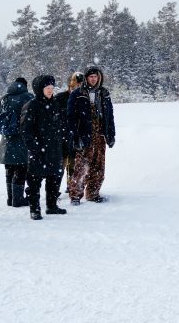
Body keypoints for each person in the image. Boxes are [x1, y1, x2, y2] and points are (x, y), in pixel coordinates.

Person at [67, 66, 116, 205]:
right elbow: (70, 117)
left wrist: (111, 135)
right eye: (91, 77)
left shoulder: (104, 93)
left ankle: (93, 194)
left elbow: (109, 117)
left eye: (95, 76)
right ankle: (75, 195)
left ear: (99, 78)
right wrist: (75, 137)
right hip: (84, 135)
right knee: (81, 167)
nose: (93, 79)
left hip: (100, 135)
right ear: (86, 78)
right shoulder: (77, 93)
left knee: (99, 166)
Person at [20, 75, 67, 219]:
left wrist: (63, 141)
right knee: (34, 182)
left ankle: (51, 206)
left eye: (52, 88)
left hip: (54, 149)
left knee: (54, 178)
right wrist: (34, 147)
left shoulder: (55, 104)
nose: (50, 90)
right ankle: (34, 209)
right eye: (47, 88)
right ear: (40, 89)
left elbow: (61, 126)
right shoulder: (31, 105)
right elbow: (25, 130)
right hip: (39, 150)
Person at [0, 77, 34, 208]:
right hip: (21, 139)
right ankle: (18, 200)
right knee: (21, 168)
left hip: (6, 140)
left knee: (9, 168)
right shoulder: (28, 97)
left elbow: (0, 119)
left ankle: (10, 198)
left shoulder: (4, 99)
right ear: (25, 85)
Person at [55, 72, 84, 191]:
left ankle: (72, 187)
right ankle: (54, 190)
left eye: (80, 85)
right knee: (59, 166)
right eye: (75, 84)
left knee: (74, 165)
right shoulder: (60, 98)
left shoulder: (83, 98)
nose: (77, 87)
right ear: (70, 85)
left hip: (75, 136)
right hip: (61, 136)